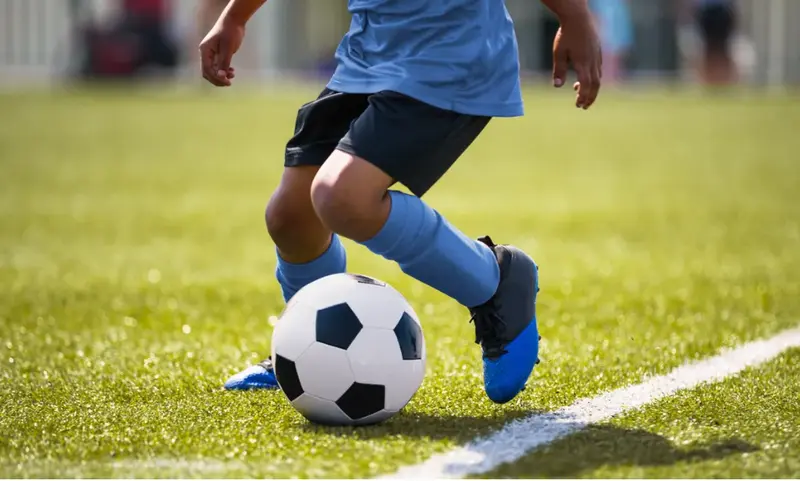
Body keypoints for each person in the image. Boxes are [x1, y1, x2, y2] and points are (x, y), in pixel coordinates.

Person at [200, 0, 602, 404]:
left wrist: (574, 16)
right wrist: (235, 16)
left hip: (453, 55)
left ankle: (495, 279)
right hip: (368, 54)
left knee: (341, 197)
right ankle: (306, 349)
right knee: (291, 217)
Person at [683, 0, 738, 85]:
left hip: (722, 10)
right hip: (707, 10)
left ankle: (726, 81)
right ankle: (707, 81)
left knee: (723, 48)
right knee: (708, 49)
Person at [589, 0, 633, 85]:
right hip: (604, 19)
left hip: (615, 19)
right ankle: (606, 78)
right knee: (606, 50)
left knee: (615, 51)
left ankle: (613, 77)